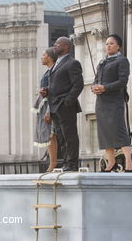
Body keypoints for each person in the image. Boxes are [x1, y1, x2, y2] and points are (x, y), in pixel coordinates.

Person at [92, 34, 132, 172]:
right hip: (101, 101)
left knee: (119, 129)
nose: (108, 46)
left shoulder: (122, 61)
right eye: (106, 44)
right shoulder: (102, 62)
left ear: (118, 46)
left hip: (114, 100)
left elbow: (122, 81)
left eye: (111, 43)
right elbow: (96, 79)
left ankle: (129, 162)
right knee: (104, 131)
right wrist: (95, 87)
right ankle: (111, 162)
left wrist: (105, 88)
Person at [48, 37, 84, 171]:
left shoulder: (72, 63)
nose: (54, 45)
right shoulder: (56, 64)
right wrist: (47, 91)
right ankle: (66, 162)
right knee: (61, 137)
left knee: (70, 135)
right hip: (54, 105)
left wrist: (68, 101)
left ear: (67, 47)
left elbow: (78, 84)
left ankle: (72, 163)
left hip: (65, 105)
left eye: (57, 44)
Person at [33, 47, 59, 172]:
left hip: (51, 106)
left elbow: (53, 92)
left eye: (44, 55)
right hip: (46, 105)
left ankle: (53, 163)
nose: (42, 57)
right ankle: (52, 162)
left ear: (49, 57)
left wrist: (49, 111)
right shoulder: (48, 72)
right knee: (50, 135)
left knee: (51, 135)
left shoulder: (52, 72)